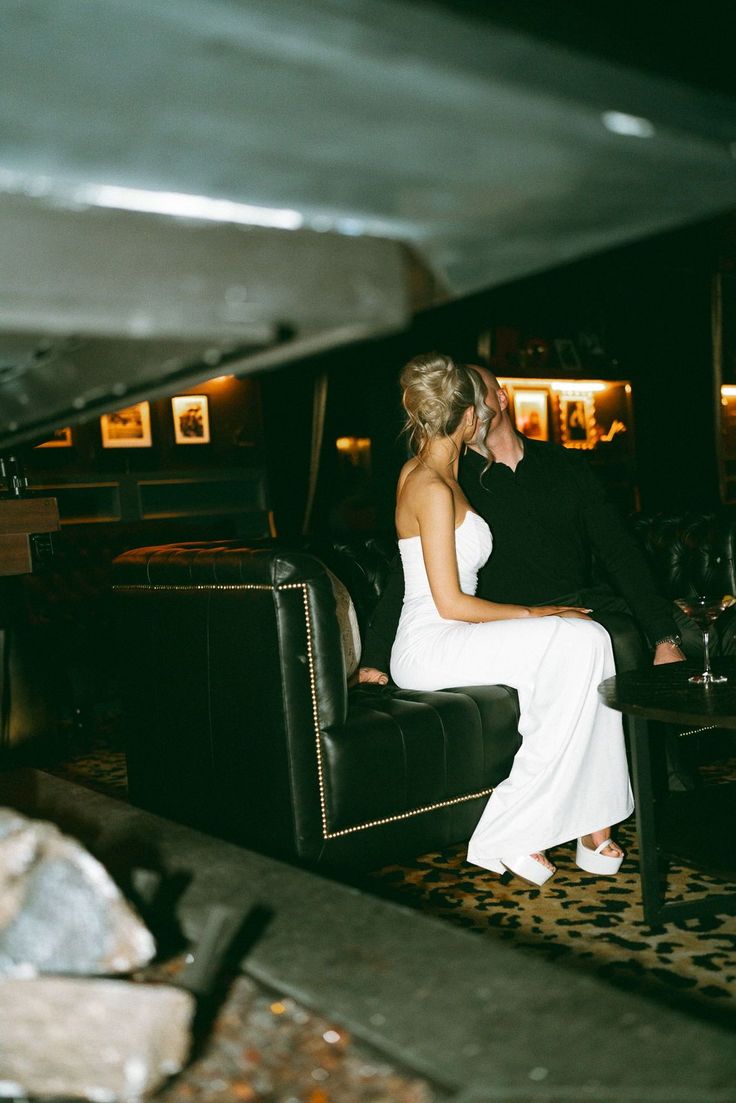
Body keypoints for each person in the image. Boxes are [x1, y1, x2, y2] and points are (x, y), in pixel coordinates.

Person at [388, 353, 634, 885]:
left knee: (590, 641)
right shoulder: (429, 486)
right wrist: (535, 613)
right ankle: (507, 832)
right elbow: (449, 603)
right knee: (574, 639)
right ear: (470, 418)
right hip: (433, 641)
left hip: (455, 633)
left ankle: (594, 818)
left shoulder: (438, 474)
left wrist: (543, 616)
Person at [361, 364, 693, 685]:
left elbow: (618, 548)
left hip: (578, 600)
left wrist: (663, 634)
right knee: (609, 638)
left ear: (501, 399)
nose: (470, 407)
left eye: (477, 395)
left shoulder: (564, 464)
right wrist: (374, 658)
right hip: (504, 616)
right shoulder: (453, 480)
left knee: (695, 632)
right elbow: (410, 568)